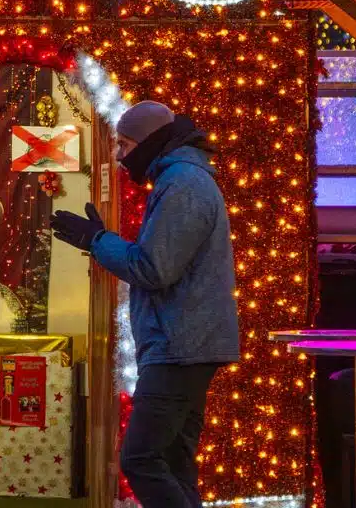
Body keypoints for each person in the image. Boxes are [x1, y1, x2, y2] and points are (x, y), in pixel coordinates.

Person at [49, 102, 238, 508]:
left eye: (124, 144)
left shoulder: (184, 185)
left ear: (151, 142)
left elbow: (153, 267)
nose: (119, 156)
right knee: (172, 460)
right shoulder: (183, 180)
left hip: (180, 346)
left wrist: (95, 241)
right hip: (186, 344)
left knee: (141, 458)